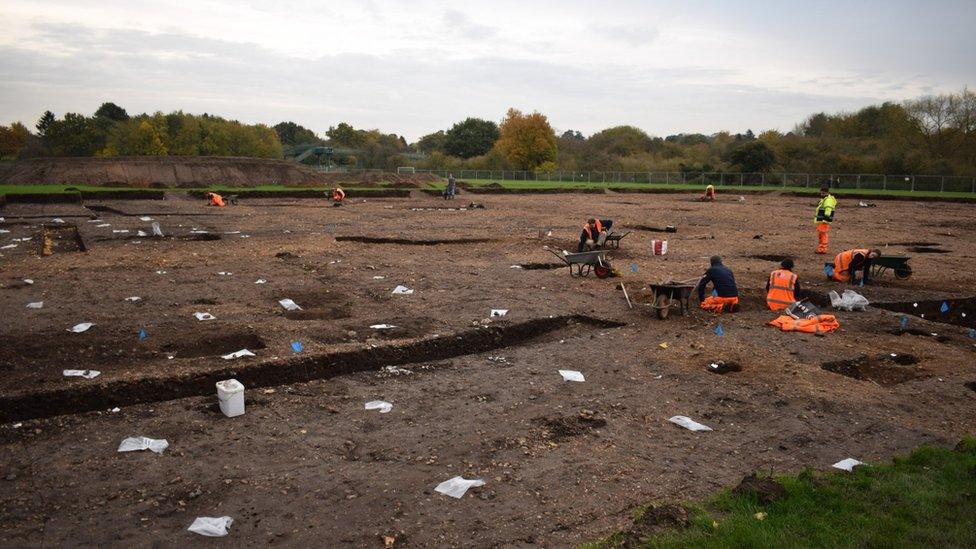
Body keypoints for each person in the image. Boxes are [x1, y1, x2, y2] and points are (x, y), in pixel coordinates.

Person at [815, 184, 837, 254]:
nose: (822, 194)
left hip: (824, 220)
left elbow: (828, 208)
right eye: (821, 193)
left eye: (823, 193)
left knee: (823, 234)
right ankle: (821, 248)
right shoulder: (825, 199)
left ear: (827, 192)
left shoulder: (828, 200)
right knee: (821, 234)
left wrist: (826, 216)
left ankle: (822, 249)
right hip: (822, 221)